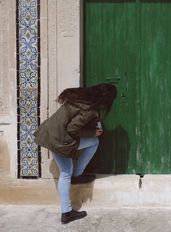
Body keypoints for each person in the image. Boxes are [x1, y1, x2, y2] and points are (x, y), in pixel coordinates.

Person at [34, 83, 117, 224]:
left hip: (49, 133)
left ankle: (77, 175)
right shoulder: (90, 109)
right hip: (59, 140)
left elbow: (73, 120)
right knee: (66, 173)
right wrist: (93, 132)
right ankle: (66, 213)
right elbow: (72, 129)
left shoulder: (79, 97)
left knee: (89, 146)